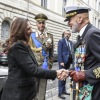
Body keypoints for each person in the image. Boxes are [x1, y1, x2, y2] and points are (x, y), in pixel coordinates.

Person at [1, 17, 68, 100]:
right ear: (21, 30)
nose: (31, 31)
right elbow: (32, 69)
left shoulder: (24, 44)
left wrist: (49, 65)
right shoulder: (18, 46)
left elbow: (49, 53)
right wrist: (55, 73)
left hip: (26, 92)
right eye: (28, 29)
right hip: (18, 94)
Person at [64, 5, 100, 100]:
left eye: (69, 20)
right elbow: (82, 61)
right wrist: (69, 71)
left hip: (94, 92)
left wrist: (86, 74)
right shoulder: (82, 36)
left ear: (80, 19)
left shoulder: (92, 34)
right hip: (84, 91)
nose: (68, 23)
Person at [28, 13, 54, 100]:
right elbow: (28, 51)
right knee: (33, 88)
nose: (41, 25)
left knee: (43, 88)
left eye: (43, 23)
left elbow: (51, 52)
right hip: (34, 66)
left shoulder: (50, 36)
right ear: (36, 24)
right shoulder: (31, 36)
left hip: (45, 66)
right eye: (39, 23)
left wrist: (50, 65)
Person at [58, 30, 73, 99]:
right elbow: (59, 52)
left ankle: (64, 91)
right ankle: (60, 93)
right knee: (61, 76)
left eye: (69, 34)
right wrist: (61, 61)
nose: (67, 35)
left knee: (65, 76)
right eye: (66, 34)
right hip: (63, 62)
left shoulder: (71, 42)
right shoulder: (61, 41)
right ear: (64, 34)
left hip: (68, 62)